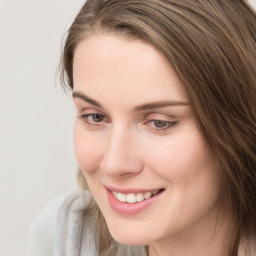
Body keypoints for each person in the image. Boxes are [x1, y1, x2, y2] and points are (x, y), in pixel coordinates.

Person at [24, 0, 256, 255]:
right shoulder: (67, 235)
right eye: (95, 117)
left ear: (242, 126)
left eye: (159, 123)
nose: (114, 164)